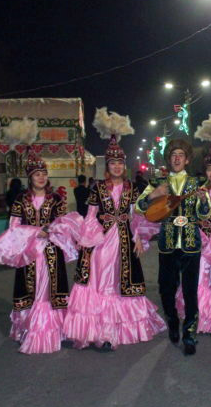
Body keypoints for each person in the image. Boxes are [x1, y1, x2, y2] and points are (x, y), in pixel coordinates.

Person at [61, 134, 166, 350]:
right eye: (113, 163)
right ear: (107, 166)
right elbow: (91, 216)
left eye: (120, 163)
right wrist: (87, 240)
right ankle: (101, 333)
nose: (117, 167)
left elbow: (136, 215)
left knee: (122, 282)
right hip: (102, 241)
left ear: (124, 166)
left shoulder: (131, 188)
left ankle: (116, 331)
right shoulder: (98, 188)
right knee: (101, 282)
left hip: (125, 241)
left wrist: (137, 237)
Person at [0, 153, 71, 354]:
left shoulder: (55, 198)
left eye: (44, 174)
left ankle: (53, 329)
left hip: (50, 251)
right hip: (29, 253)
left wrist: (52, 230)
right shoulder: (21, 199)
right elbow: (13, 227)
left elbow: (63, 223)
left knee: (48, 291)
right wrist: (35, 232)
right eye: (37, 174)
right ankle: (31, 328)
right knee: (32, 290)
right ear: (30, 177)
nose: (41, 177)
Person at [135, 139, 211, 355]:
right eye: (173, 155)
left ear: (187, 159)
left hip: (190, 244)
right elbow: (140, 208)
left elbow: (205, 214)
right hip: (167, 243)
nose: (177, 158)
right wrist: (154, 194)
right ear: (169, 159)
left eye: (181, 155)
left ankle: (189, 335)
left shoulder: (198, 183)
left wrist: (203, 200)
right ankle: (172, 322)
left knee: (190, 291)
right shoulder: (158, 181)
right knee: (166, 289)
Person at [175, 141, 211, 335]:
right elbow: (195, 216)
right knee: (202, 278)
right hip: (204, 241)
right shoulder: (199, 191)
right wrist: (201, 202)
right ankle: (201, 318)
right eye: (209, 169)